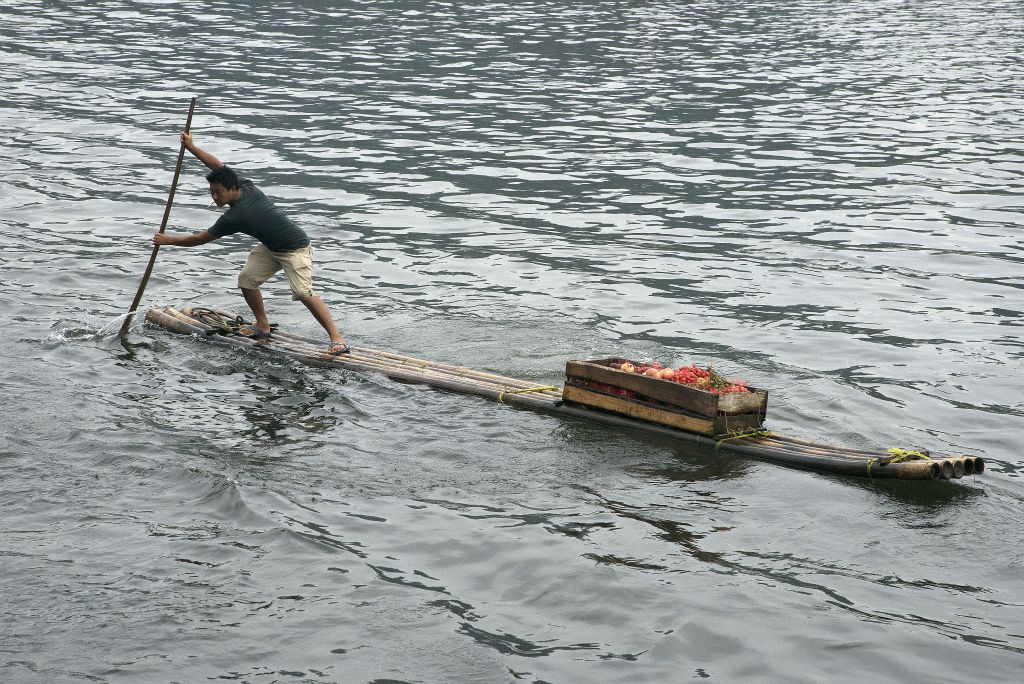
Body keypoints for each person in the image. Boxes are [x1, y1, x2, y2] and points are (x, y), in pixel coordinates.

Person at [154, 132, 350, 355]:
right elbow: (217, 166)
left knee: (303, 293)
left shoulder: (236, 216)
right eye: (211, 192)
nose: (214, 197)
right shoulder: (245, 186)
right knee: (247, 280)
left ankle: (337, 338)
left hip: (295, 248)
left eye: (218, 193)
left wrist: (167, 240)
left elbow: (199, 240)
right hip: (271, 246)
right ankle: (262, 326)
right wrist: (191, 147)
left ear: (233, 189)